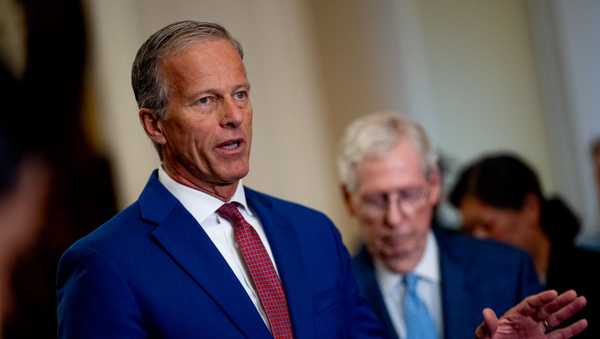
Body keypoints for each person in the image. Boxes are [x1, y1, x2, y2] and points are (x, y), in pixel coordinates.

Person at [57, 21, 585, 339]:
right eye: (205, 100)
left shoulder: (309, 232)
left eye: (240, 94)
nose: (233, 116)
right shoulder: (107, 263)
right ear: (154, 125)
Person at [338, 112, 586, 339]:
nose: (394, 217)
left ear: (433, 186)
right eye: (376, 200)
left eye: (408, 194)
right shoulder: (333, 297)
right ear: (349, 199)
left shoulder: (507, 269)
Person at [449, 153, 600, 339]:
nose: (477, 240)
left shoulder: (592, 272)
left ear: (531, 208)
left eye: (487, 226)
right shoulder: (475, 292)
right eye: (468, 231)